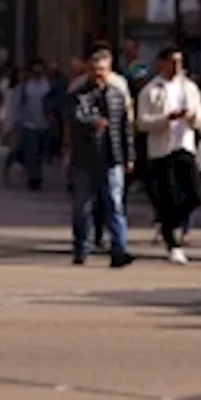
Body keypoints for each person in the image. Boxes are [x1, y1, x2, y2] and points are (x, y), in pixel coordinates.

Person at [136, 46, 201, 265]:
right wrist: (166, 119)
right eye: (172, 62)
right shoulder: (151, 90)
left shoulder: (190, 88)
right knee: (168, 196)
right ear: (162, 63)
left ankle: (169, 221)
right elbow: (142, 122)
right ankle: (173, 244)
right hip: (161, 149)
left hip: (184, 145)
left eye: (180, 62)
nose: (176, 67)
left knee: (195, 194)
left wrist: (192, 117)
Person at [67, 47, 134, 267]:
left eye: (103, 70)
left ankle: (119, 250)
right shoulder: (79, 94)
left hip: (112, 157)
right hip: (85, 159)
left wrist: (129, 156)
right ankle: (81, 247)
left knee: (114, 204)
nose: (98, 74)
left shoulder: (117, 95)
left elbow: (126, 128)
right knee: (83, 207)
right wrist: (91, 123)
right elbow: (75, 118)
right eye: (95, 69)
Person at [16, 59, 52, 190]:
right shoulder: (26, 85)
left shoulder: (48, 84)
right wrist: (18, 120)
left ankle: (37, 175)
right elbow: (20, 103)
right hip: (29, 124)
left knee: (40, 153)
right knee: (32, 151)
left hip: (44, 124)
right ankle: (33, 178)